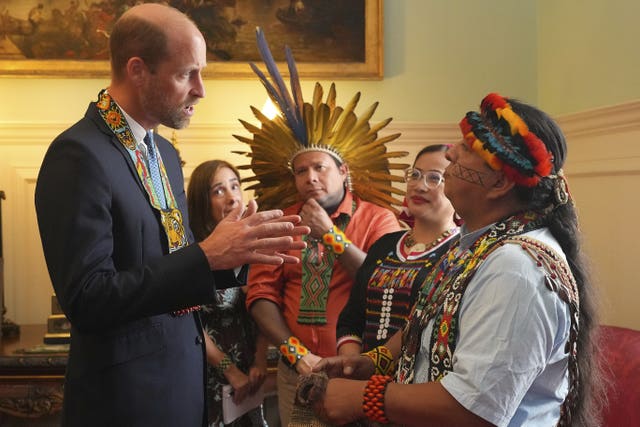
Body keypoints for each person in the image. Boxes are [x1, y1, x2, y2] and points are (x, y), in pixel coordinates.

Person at [34, 5, 307, 427]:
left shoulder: (162, 153)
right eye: (186, 74)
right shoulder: (79, 155)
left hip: (183, 386)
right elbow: (87, 299)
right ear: (137, 70)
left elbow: (169, 273)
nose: (201, 90)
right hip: (126, 401)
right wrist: (207, 257)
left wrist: (232, 258)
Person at [312, 93, 604, 427]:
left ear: (500, 182)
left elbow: (473, 409)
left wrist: (361, 398)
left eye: (466, 148)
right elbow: (426, 324)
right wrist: (374, 362)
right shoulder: (478, 246)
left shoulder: (516, 269)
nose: (450, 152)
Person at [236, 28, 406, 427]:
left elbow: (382, 284)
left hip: (353, 370)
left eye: (320, 168)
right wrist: (294, 352)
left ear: (343, 171)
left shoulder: (378, 218)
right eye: (301, 171)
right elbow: (260, 294)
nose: (310, 177)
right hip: (296, 369)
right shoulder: (281, 222)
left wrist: (330, 233)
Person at [336, 144, 459, 356]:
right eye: (415, 174)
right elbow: (351, 319)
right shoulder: (385, 245)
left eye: (434, 178)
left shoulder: (462, 251)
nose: (419, 186)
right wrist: (352, 364)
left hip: (421, 383)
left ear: (457, 188)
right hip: (362, 383)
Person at [187, 159, 269, 427]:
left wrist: (259, 360)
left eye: (235, 186)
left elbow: (263, 308)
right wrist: (230, 371)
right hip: (209, 373)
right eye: (218, 190)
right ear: (202, 202)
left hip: (249, 371)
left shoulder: (252, 248)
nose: (233, 197)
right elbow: (189, 325)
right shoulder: (194, 255)